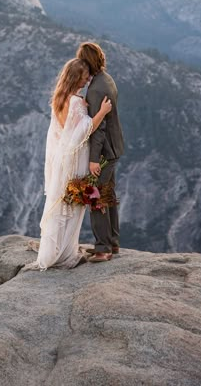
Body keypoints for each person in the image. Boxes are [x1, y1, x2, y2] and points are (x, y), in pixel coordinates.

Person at [26, 58, 112, 271]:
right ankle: (64, 254)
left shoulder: (60, 98)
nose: (86, 81)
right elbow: (83, 131)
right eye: (83, 78)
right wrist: (103, 111)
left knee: (65, 206)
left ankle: (58, 251)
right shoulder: (74, 102)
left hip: (62, 160)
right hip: (75, 160)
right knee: (73, 207)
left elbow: (60, 134)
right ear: (76, 78)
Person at [76, 41, 124, 262]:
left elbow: (99, 128)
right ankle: (112, 242)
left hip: (104, 152)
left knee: (95, 196)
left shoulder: (96, 89)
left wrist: (94, 159)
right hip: (115, 147)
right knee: (108, 195)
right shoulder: (107, 79)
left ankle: (102, 248)